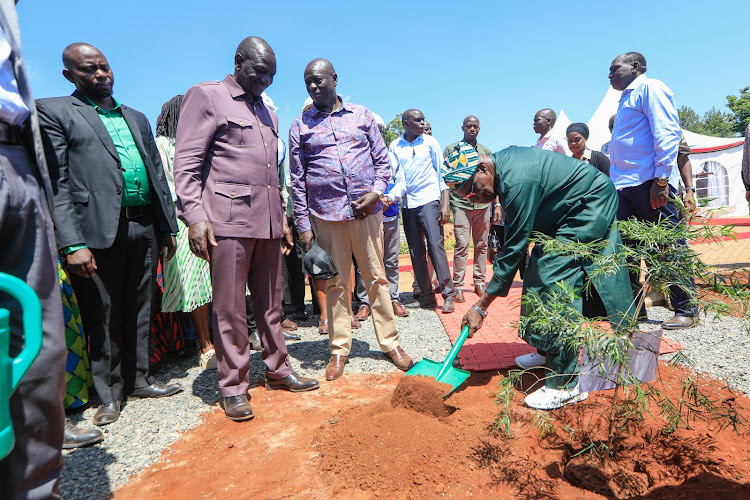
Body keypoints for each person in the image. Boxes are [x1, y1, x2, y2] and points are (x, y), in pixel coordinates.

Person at [36, 43, 182, 428]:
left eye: (104, 67)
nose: (101, 74)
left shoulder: (135, 116)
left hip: (143, 226)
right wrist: (71, 243)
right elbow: (58, 182)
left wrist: (166, 228)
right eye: (89, 69)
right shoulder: (54, 112)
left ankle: (139, 380)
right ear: (70, 75)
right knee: (102, 314)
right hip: (95, 233)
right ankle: (109, 394)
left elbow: (156, 174)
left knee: (140, 307)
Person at [174, 37, 319, 420]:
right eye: (259, 72)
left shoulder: (266, 111)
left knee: (272, 304)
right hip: (227, 223)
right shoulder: (206, 96)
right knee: (230, 308)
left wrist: (283, 220)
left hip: (269, 224)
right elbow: (187, 163)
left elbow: (272, 174)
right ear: (238, 61)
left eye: (272, 75)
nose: (266, 81)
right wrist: (195, 216)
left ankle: (278, 370)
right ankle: (234, 386)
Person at [0, 3, 96, 496]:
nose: (101, 73)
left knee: (39, 349)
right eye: (90, 66)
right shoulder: (62, 110)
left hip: (15, 160)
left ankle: (37, 483)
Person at [456, 148, 634, 410]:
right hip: (565, 208)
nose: (476, 198)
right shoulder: (503, 173)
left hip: (589, 203)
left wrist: (480, 306)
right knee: (538, 267)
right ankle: (545, 350)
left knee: (555, 273)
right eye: (468, 198)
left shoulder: (517, 180)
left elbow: (514, 249)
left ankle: (566, 383)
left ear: (482, 168)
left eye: (472, 189)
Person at [290, 58, 414, 381]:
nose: (313, 87)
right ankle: (339, 349)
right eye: (308, 83)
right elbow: (297, 180)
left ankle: (390, 343)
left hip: (366, 213)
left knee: (376, 278)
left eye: (318, 80)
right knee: (336, 283)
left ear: (334, 79)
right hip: (326, 216)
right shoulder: (300, 127)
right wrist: (304, 227)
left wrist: (375, 192)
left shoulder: (362, 116)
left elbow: (382, 162)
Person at [608, 51, 697, 329]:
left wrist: (661, 181)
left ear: (635, 67)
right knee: (629, 252)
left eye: (614, 68)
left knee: (667, 246)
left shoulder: (650, 88)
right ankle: (635, 311)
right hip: (625, 187)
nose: (609, 74)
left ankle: (687, 309)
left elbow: (667, 133)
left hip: (649, 184)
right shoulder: (626, 98)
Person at [154, 95, 217, 370]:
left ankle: (222, 340)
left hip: (212, 218)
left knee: (219, 283)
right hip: (182, 222)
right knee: (196, 286)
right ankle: (205, 346)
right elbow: (164, 189)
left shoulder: (199, 143)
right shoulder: (162, 146)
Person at [389, 109, 456, 313]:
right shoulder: (394, 146)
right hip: (408, 204)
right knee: (415, 251)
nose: (423, 123)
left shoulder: (430, 142)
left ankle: (448, 295)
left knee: (436, 247)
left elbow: (442, 175)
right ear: (406, 123)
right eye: (418, 120)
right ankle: (426, 297)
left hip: (429, 200)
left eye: (423, 119)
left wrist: (445, 205)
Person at [443, 116, 492, 302]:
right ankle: (458, 285)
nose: (472, 129)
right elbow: (446, 179)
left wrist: (496, 204)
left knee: (482, 244)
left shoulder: (486, 151)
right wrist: (446, 204)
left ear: (479, 129)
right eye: (469, 126)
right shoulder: (452, 149)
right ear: (462, 127)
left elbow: (492, 179)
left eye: (475, 126)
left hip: (483, 204)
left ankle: (480, 281)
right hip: (461, 204)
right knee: (461, 245)